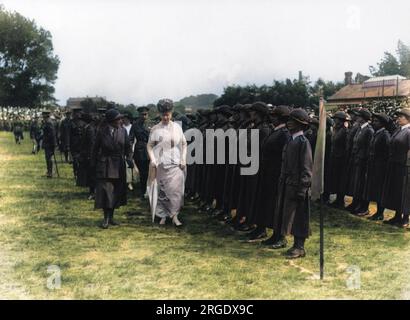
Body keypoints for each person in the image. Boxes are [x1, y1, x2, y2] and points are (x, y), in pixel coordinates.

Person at [272, 108, 313, 259]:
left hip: (297, 185)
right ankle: (293, 245)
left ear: (300, 124)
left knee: (299, 216)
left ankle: (299, 247)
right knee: (288, 215)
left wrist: (303, 188)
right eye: (288, 120)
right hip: (287, 183)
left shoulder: (303, 142)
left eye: (292, 121)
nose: (288, 123)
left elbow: (307, 168)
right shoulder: (291, 139)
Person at [250, 106, 291, 245]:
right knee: (265, 202)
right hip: (267, 172)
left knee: (276, 205)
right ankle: (262, 228)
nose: (271, 117)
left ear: (280, 118)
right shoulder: (276, 131)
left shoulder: (284, 133)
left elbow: (285, 156)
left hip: (276, 173)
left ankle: (279, 236)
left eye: (274, 115)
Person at [147, 99, 187, 227]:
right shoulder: (155, 129)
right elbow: (149, 146)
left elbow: (184, 144)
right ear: (160, 114)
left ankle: (175, 216)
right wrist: (153, 159)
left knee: (175, 191)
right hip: (160, 163)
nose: (165, 117)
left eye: (168, 114)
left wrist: (183, 158)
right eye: (163, 114)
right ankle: (162, 215)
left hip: (175, 163)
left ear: (171, 113)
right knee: (162, 191)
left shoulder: (177, 128)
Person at [91, 109, 133, 229]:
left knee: (116, 192)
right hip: (105, 165)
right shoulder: (101, 131)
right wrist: (93, 164)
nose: (120, 121)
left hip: (119, 165)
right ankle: (106, 218)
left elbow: (128, 148)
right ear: (111, 121)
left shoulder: (123, 131)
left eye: (121, 119)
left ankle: (112, 217)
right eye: (118, 119)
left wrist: (129, 158)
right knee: (106, 192)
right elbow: (95, 149)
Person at [381, 108, 410, 228]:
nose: (398, 118)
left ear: (408, 119)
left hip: (404, 166)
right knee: (397, 192)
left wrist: (407, 165)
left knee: (405, 193)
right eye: (398, 116)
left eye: (401, 117)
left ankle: (405, 218)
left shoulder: (408, 131)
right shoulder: (399, 130)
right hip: (395, 165)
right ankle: (397, 216)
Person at [364, 113, 391, 220]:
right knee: (374, 188)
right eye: (373, 121)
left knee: (380, 189)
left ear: (382, 123)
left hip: (380, 167)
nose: (374, 123)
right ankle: (377, 213)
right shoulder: (377, 134)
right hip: (373, 165)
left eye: (376, 121)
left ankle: (380, 213)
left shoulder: (385, 135)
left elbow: (387, 152)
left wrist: (381, 165)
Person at [348, 109, 374, 216]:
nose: (356, 118)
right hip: (357, 159)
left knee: (361, 184)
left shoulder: (369, 130)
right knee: (356, 183)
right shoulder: (360, 128)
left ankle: (362, 206)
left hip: (363, 161)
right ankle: (355, 203)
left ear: (363, 118)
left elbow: (369, 147)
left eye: (359, 116)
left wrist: (364, 159)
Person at [327, 111, 348, 208]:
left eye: (337, 119)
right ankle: (337, 200)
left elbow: (346, 146)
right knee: (335, 179)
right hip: (334, 157)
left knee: (340, 179)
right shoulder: (336, 129)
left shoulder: (345, 131)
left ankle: (340, 200)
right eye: (335, 119)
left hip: (341, 159)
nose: (335, 121)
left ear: (341, 121)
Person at [129, 106, 151, 199]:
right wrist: (130, 152)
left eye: (145, 114)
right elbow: (130, 139)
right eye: (142, 114)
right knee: (143, 173)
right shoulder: (135, 125)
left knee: (150, 172)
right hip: (140, 151)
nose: (144, 116)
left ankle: (149, 191)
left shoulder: (151, 124)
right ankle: (143, 191)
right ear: (139, 115)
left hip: (150, 150)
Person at [41, 110, 57, 178]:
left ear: (46, 115)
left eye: (43, 115)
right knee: (47, 158)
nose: (42, 116)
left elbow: (52, 134)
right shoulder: (47, 122)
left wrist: (53, 144)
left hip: (49, 143)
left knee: (49, 158)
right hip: (48, 143)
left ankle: (50, 172)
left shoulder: (49, 122)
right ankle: (49, 171)